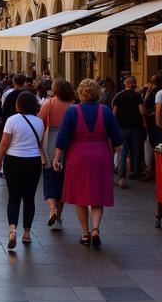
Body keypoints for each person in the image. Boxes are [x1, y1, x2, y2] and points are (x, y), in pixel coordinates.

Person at [53, 79, 123, 249]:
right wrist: (119, 158)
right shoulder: (105, 111)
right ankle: (96, 229)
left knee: (81, 196)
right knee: (97, 196)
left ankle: (84, 233)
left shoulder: (72, 112)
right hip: (101, 156)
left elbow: (62, 139)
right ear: (97, 93)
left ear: (81, 93)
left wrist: (56, 158)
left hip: (78, 157)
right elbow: (118, 141)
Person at [0, 90, 46, 250]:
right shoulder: (39, 122)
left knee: (14, 197)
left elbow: (4, 143)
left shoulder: (12, 120)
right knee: (29, 198)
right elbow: (39, 143)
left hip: (13, 161)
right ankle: (27, 233)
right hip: (33, 161)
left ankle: (12, 230)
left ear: (19, 104)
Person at [39, 78, 75, 230]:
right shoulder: (73, 105)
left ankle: (53, 209)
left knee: (49, 176)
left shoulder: (50, 102)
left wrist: (39, 147)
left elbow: (39, 120)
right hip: (70, 141)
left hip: (52, 138)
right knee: (63, 180)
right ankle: (59, 215)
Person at [112, 75, 146, 188]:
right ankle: (136, 173)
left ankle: (121, 177)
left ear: (126, 84)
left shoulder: (118, 96)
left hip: (121, 128)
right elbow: (142, 111)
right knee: (136, 151)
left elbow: (114, 113)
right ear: (133, 84)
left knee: (123, 153)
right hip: (136, 127)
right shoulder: (137, 96)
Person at [142, 73, 162, 179]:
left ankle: (151, 170)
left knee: (151, 146)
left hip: (152, 123)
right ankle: (158, 169)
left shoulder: (152, 92)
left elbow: (145, 106)